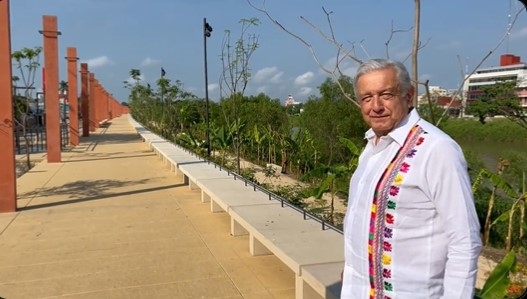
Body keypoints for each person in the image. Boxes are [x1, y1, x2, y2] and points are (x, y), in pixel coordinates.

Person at [341, 58, 482, 299]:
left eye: (385, 95)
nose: (375, 106)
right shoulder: (371, 147)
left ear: (408, 96)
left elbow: (465, 241)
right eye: (366, 98)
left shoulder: (437, 149)